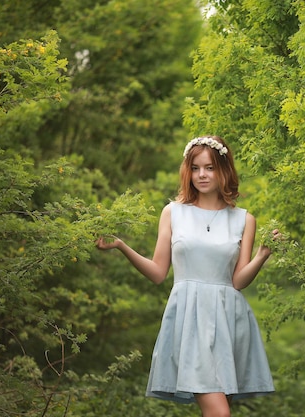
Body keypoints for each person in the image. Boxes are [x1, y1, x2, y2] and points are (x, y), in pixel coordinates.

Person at [96, 135, 277, 417]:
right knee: (219, 412)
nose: (201, 175)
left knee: (217, 411)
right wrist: (121, 246)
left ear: (224, 169)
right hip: (190, 319)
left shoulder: (244, 219)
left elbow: (239, 281)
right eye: (195, 168)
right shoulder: (173, 213)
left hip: (229, 320)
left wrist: (262, 255)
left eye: (209, 168)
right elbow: (158, 273)